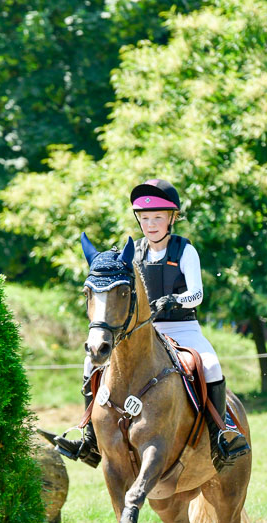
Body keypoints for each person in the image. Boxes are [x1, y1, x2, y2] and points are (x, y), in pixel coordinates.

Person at [54, 178, 251, 469]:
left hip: (182, 328)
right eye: (145, 218)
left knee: (210, 364)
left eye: (158, 217)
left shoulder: (185, 251)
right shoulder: (133, 253)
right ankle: (88, 435)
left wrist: (174, 300)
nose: (151, 224)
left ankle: (222, 433)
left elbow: (197, 294)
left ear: (172, 218)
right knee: (90, 363)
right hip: (144, 331)